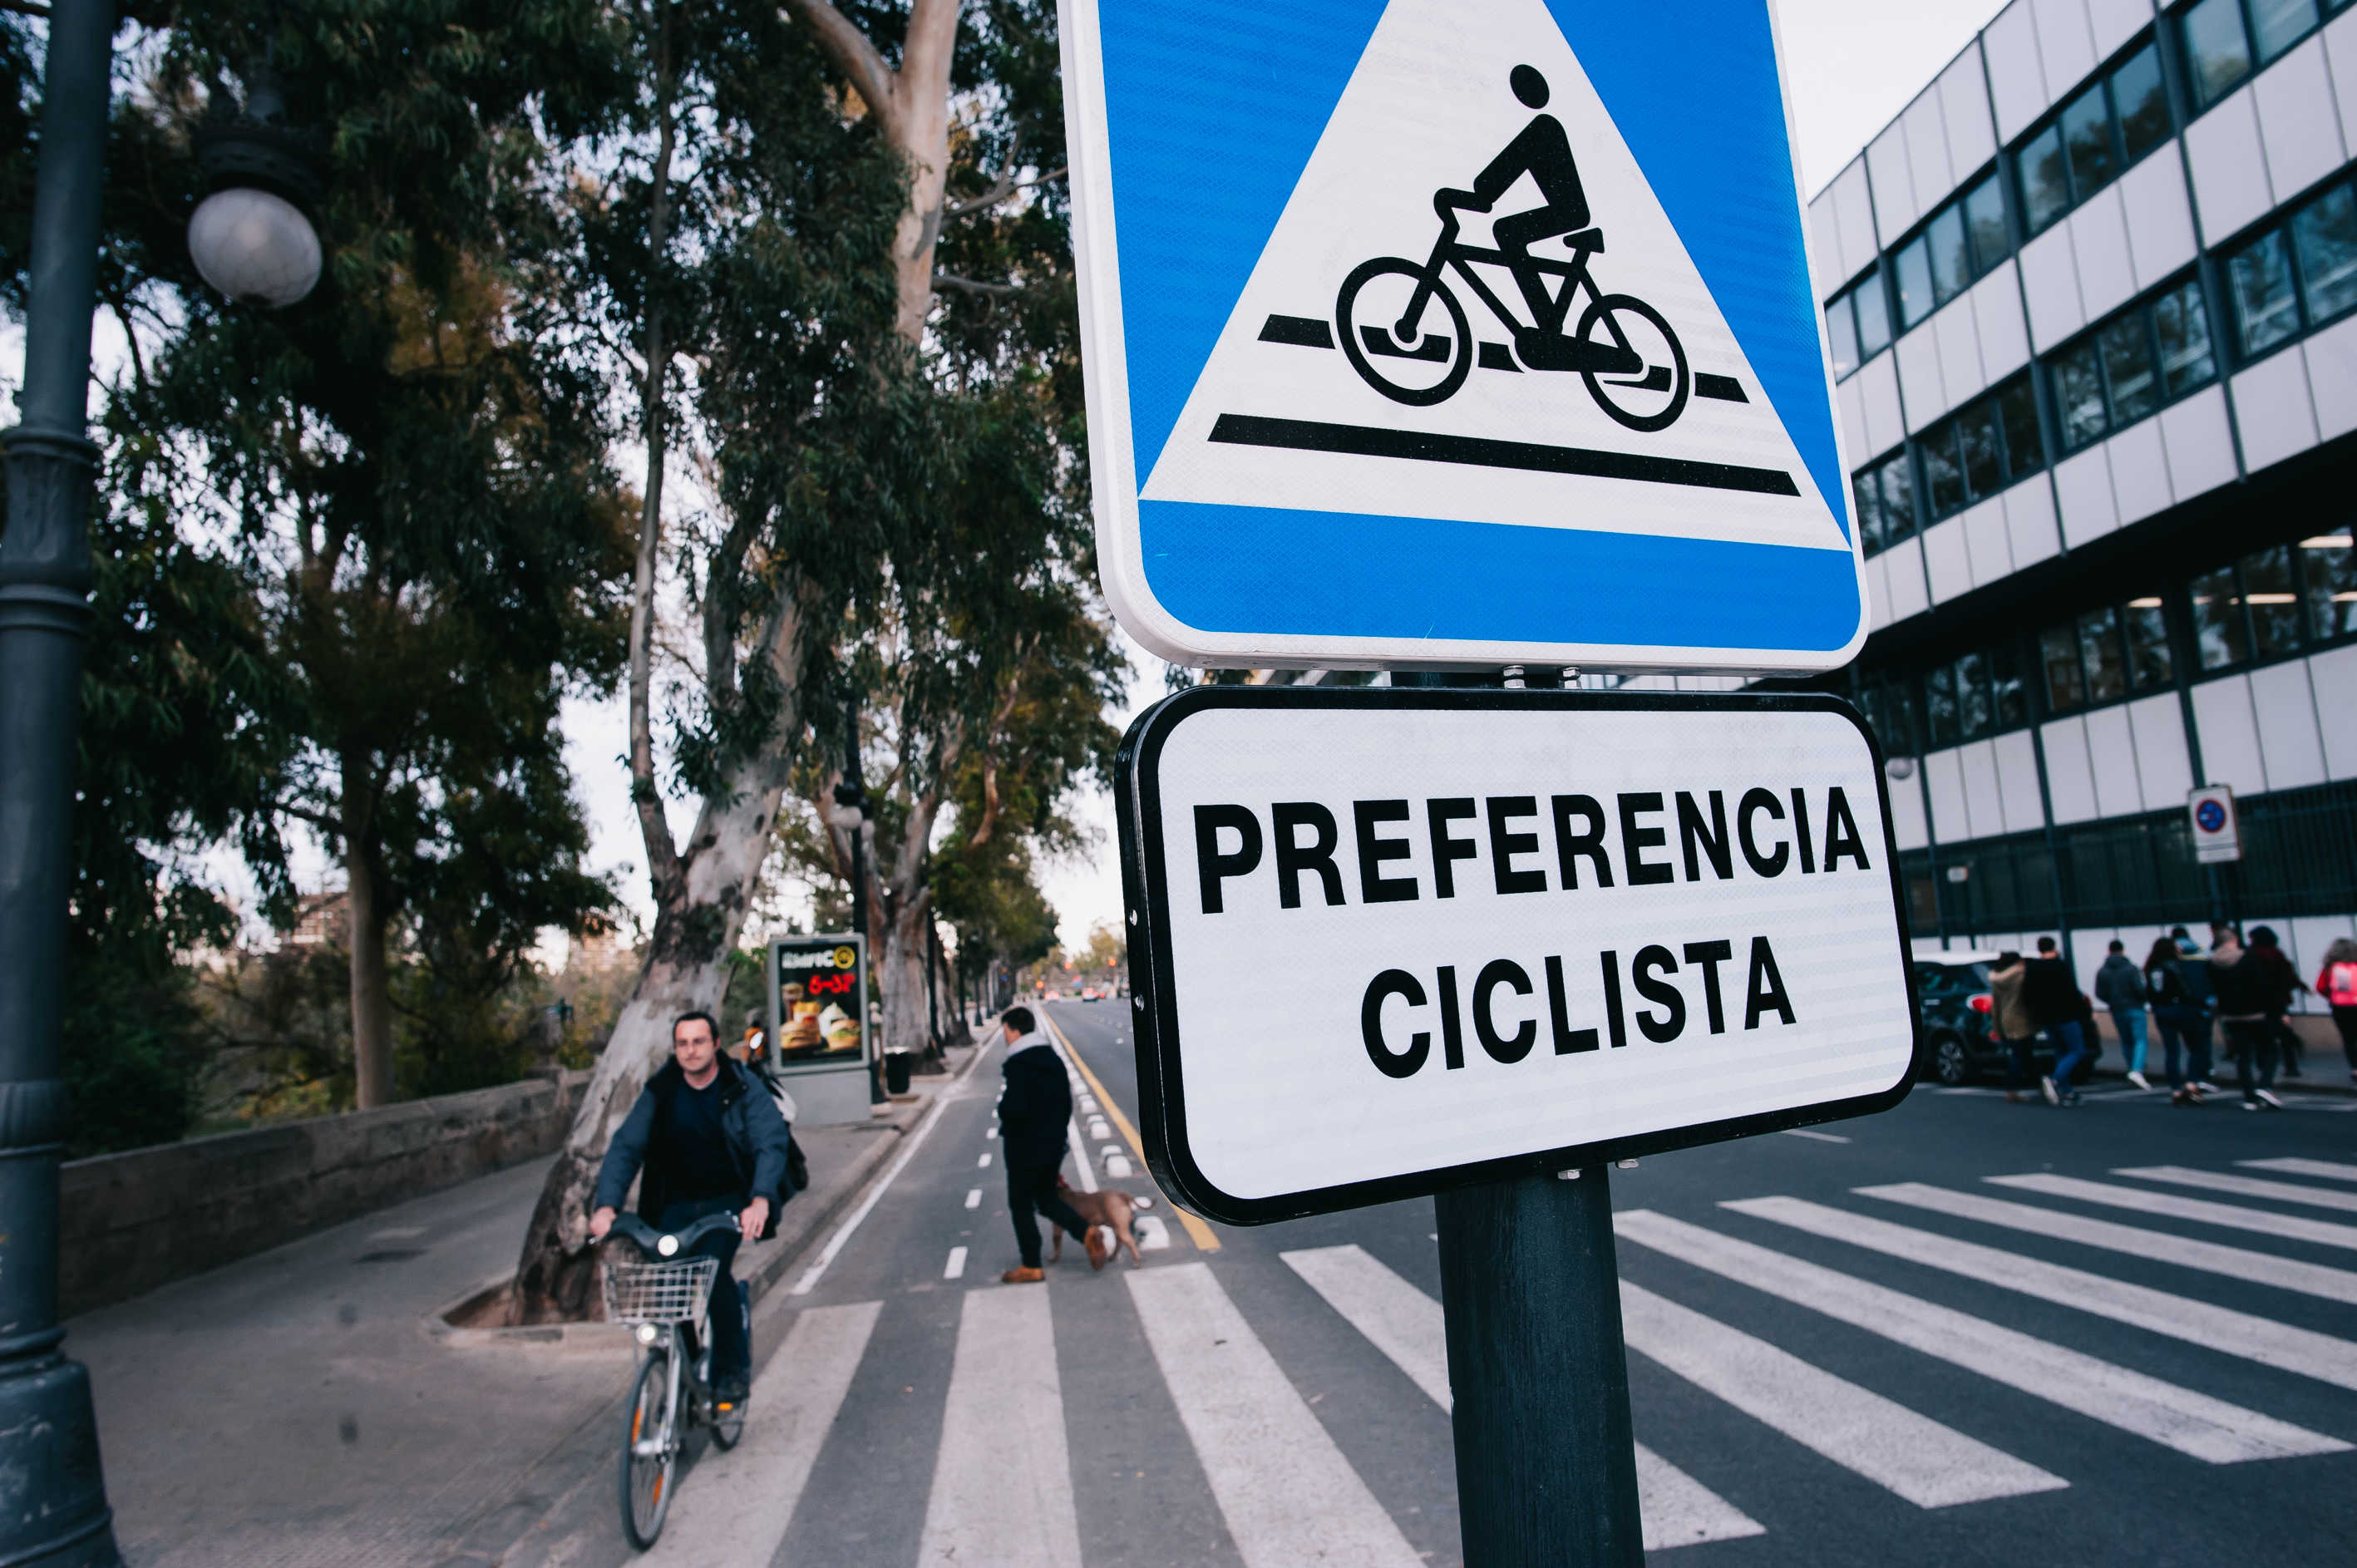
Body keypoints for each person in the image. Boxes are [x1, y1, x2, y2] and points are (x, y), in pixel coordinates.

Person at [590, 1010, 792, 1403]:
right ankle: (687, 1366)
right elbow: (626, 1147)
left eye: (699, 1041)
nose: (691, 1050)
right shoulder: (661, 1090)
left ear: (715, 1044)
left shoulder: (741, 1085)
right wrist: (606, 1207)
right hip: (674, 1206)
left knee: (713, 1278)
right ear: (675, 1049)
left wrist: (760, 1200)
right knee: (669, 1292)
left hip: (727, 1204)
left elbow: (770, 1143)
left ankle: (732, 1372)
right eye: (682, 1043)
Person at [1432, 66, 1595, 370]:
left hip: (1570, 212)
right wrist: (1482, 195)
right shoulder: (1540, 125)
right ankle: (1548, 323)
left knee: (1508, 232)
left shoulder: (1544, 127)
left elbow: (1511, 164)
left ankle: (1549, 330)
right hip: (1564, 209)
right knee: (1507, 232)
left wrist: (1481, 196)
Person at [995, 1007, 1103, 1282]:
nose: (1005, 1037)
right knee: (1045, 1199)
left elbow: (1014, 1108)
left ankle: (1031, 1265)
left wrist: (1004, 1111)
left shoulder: (1019, 1064)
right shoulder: (1050, 1059)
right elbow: (1065, 1104)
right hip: (1052, 1145)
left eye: (1006, 1031)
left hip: (1024, 1147)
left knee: (1020, 1203)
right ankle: (1087, 1232)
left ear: (1016, 1030)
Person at [2209, 929, 2282, 1111]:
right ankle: (2265, 1086)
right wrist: (2275, 1010)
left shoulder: (2212, 962)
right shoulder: (2248, 958)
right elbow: (2262, 985)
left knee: (2243, 1056)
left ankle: (2249, 1097)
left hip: (2230, 1015)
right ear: (2234, 939)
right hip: (2255, 1013)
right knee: (2270, 1050)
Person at [2024, 938, 2090, 1105]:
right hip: (2065, 1014)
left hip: (2046, 1017)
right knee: (2077, 1050)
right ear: (2054, 948)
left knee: (2060, 1051)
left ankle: (2067, 1090)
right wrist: (2084, 1012)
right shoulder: (2060, 966)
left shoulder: (2033, 968)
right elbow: (2071, 991)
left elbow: (2028, 995)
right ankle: (2055, 1080)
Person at [2146, 935, 2211, 1105]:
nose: (2179, 949)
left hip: (2161, 1011)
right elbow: (2186, 990)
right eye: (2176, 947)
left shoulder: (2152, 968)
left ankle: (2175, 1090)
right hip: (2181, 1009)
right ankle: (2191, 1084)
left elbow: (2150, 993)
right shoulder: (2176, 966)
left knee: (2171, 1051)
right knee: (2196, 1047)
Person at [2245, 926, 2309, 1078]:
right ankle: (2291, 1066)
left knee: (2261, 1034)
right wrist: (2301, 986)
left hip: (2258, 1001)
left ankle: (2262, 1065)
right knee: (2282, 1033)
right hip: (2278, 1000)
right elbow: (2288, 975)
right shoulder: (2277, 954)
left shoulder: (2251, 955)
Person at [2094, 939, 2151, 1089]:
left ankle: (2132, 1067)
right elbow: (2140, 988)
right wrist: (2143, 998)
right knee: (2140, 1039)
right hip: (2134, 1007)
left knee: (2126, 1041)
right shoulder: (2131, 968)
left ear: (2109, 951)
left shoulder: (2103, 971)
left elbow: (2099, 993)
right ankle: (2137, 1069)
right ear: (2122, 951)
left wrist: (2111, 1000)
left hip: (2116, 1009)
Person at [1988, 951, 2037, 1103]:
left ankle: (2034, 1083)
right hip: (2022, 1019)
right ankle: (2013, 1089)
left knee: (2020, 1054)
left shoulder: (1997, 979)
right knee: (2021, 1055)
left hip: (2006, 1020)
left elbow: (1995, 1006)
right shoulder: (2020, 977)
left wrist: (1996, 1027)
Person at [2316, 937, 2357, 1084]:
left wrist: (2332, 996)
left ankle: (2355, 1068)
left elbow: (2320, 987)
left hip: (2340, 1008)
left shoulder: (2330, 967)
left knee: (2349, 1039)